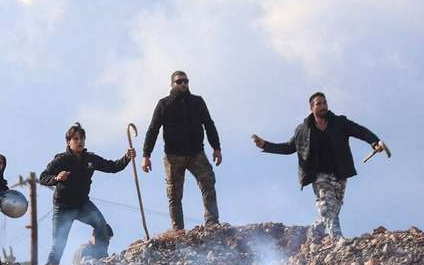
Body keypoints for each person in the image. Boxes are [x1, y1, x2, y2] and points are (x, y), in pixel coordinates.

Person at [252, 92, 384, 240]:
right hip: (318, 175)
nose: (323, 106)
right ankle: (337, 238)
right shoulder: (303, 129)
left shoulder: (340, 122)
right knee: (327, 204)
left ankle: (315, 230)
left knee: (333, 208)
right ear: (311, 108)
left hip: (340, 173)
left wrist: (375, 142)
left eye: (324, 103)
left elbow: (360, 131)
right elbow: (289, 148)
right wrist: (265, 145)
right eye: (319, 103)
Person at [39, 123, 136, 265]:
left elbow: (113, 166)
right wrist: (56, 178)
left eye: (82, 139)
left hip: (82, 204)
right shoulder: (62, 160)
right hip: (63, 208)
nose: (80, 142)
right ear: (69, 142)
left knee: (101, 226)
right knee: (58, 245)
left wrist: (127, 157)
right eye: (76, 139)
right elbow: (43, 177)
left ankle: (101, 260)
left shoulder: (91, 159)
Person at [141, 70, 222, 230]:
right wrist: (146, 155)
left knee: (208, 183)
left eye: (186, 81)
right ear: (172, 84)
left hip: (196, 154)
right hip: (173, 157)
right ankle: (178, 229)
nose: (183, 84)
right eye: (179, 81)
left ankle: (212, 223)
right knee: (174, 195)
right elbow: (153, 129)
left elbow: (209, 124)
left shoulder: (197, 102)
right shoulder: (164, 104)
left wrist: (216, 147)